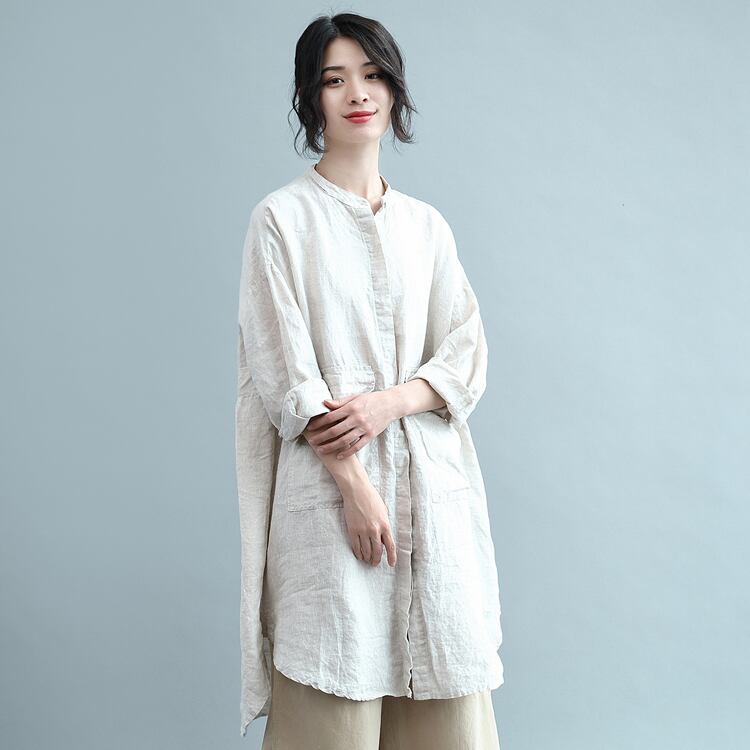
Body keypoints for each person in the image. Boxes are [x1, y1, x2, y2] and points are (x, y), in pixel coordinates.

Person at [236, 12, 504, 748]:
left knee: (447, 703)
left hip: (430, 496)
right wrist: (354, 488)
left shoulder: (427, 227)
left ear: (393, 88)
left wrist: (390, 403)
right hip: (329, 504)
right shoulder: (281, 221)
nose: (358, 93)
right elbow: (287, 376)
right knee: (334, 698)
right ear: (311, 97)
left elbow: (466, 352)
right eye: (335, 79)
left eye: (373, 74)